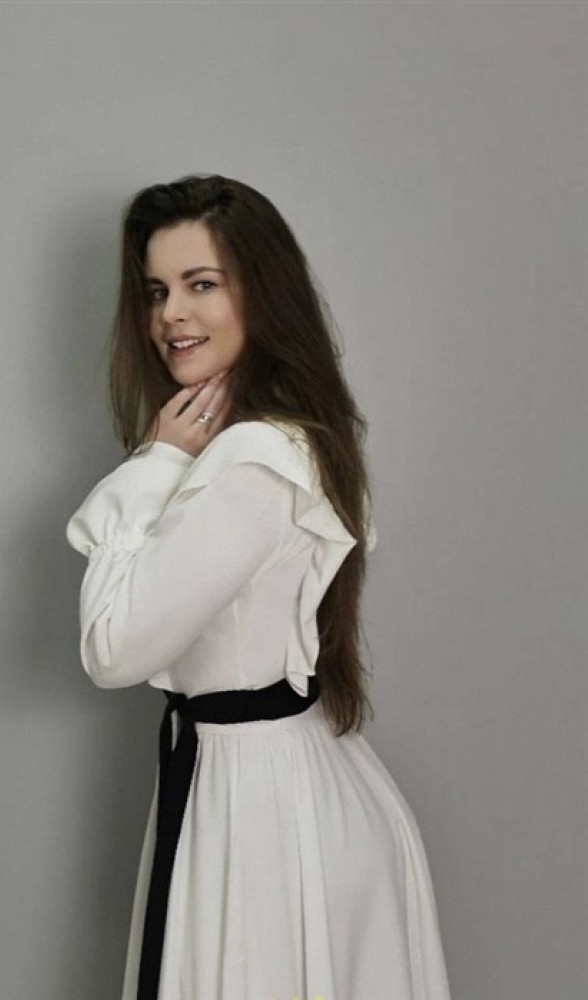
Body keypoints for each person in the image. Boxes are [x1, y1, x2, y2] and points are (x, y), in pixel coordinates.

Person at [65, 174, 452, 1000]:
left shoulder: (254, 462)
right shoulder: (283, 442)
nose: (172, 315)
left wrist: (155, 464)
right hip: (268, 785)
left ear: (262, 294)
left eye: (202, 284)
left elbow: (112, 649)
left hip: (259, 809)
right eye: (157, 291)